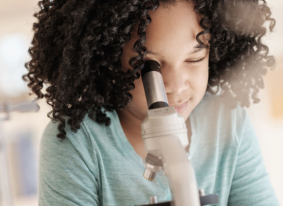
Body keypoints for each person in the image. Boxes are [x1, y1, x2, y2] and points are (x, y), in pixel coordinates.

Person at [23, 0, 280, 205]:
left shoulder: (228, 121)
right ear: (108, 57)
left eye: (194, 59)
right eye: (149, 66)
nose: (176, 86)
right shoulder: (78, 142)